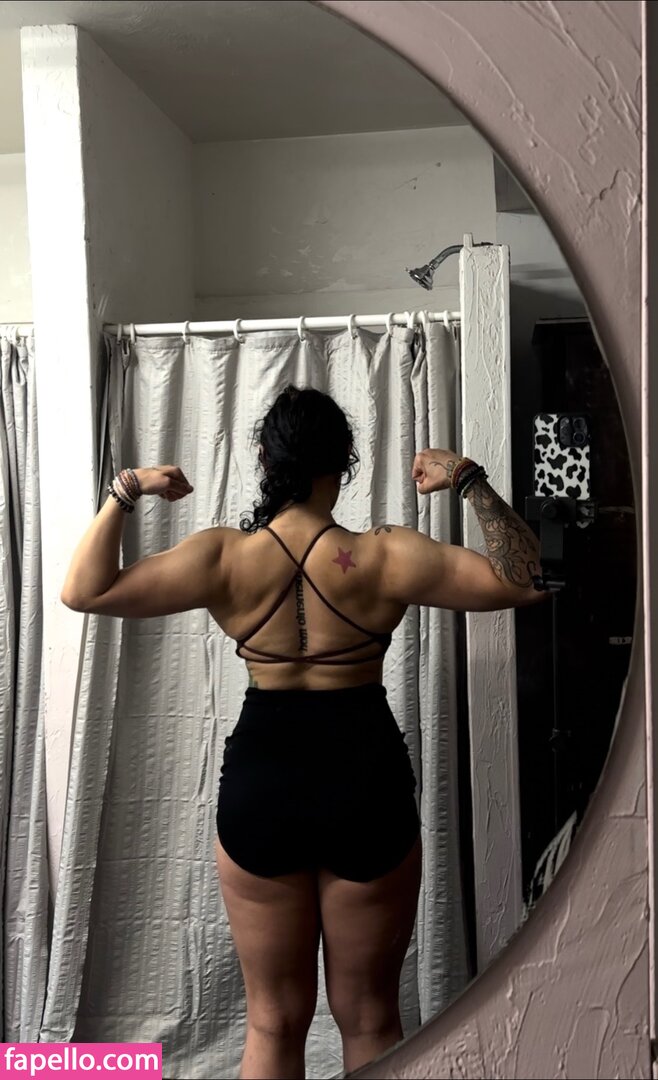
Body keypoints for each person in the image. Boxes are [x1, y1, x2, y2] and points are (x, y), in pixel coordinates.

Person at [61, 385, 547, 1080]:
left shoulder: (224, 557)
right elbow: (524, 580)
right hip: (364, 778)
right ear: (343, 462)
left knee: (273, 1021)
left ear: (265, 461)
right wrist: (467, 477)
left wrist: (128, 488)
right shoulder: (384, 555)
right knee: (371, 1016)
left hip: (265, 783)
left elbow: (83, 590)